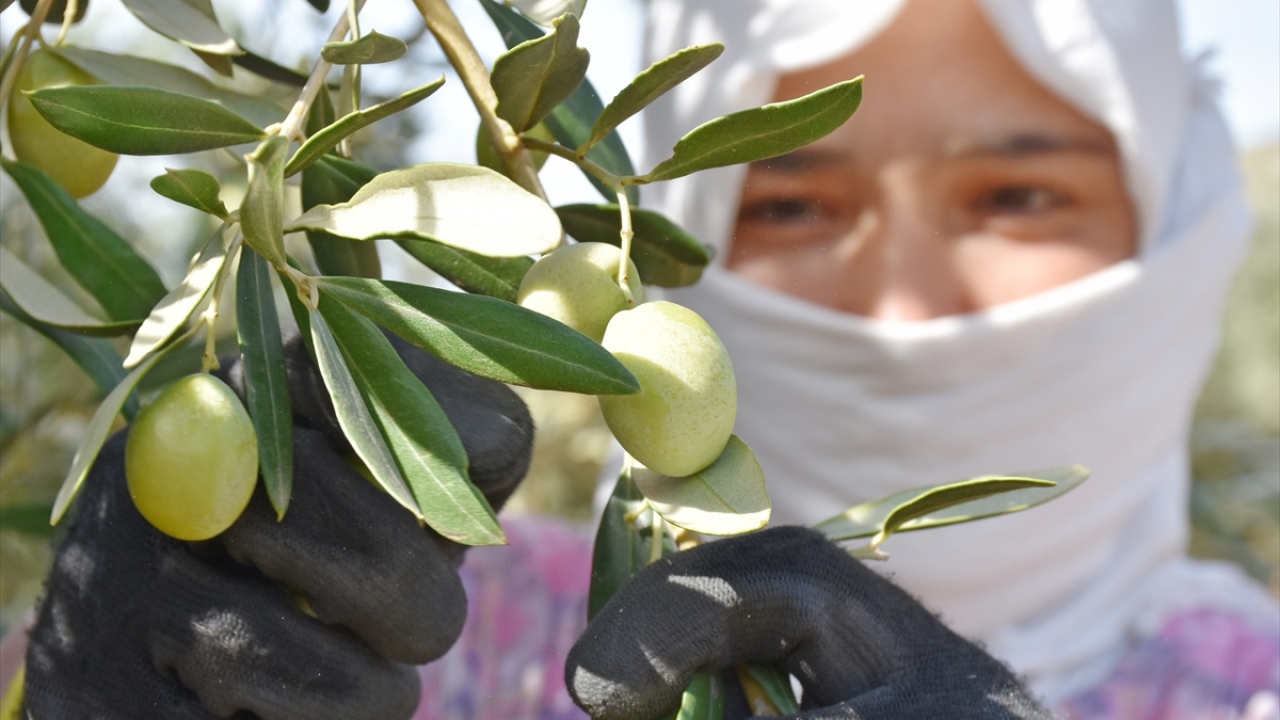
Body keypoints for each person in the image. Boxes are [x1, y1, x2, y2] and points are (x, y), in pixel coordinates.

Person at [5, 0, 1277, 718]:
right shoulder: (436, 623)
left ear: (1176, 217)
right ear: (680, 241)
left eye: (1015, 197)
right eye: (789, 206)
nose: (902, 298)